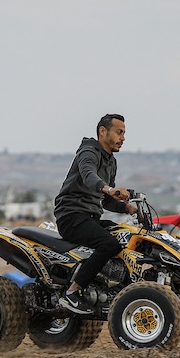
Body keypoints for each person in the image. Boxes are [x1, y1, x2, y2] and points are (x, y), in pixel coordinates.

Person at [52, 113, 133, 315]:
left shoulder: (111, 161)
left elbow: (106, 201)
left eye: (124, 133)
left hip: (90, 218)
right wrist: (109, 189)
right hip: (71, 216)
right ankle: (71, 292)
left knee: (124, 236)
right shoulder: (89, 152)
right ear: (103, 131)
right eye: (119, 132)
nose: (123, 138)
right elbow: (89, 177)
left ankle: (108, 288)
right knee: (109, 244)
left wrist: (127, 208)